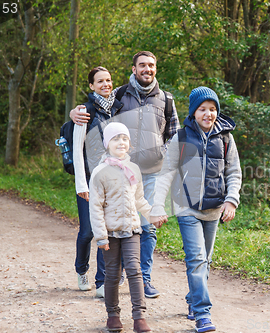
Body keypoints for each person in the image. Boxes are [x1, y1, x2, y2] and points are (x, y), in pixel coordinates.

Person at [71, 51, 180, 298]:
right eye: (142, 65)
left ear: (156, 68)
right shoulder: (119, 95)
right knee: (111, 225)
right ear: (133, 69)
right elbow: (95, 105)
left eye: (151, 65)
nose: (147, 69)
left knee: (147, 227)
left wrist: (161, 153)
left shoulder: (167, 99)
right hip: (118, 173)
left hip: (151, 173)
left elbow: (175, 135)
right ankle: (112, 273)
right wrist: (74, 113)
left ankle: (143, 279)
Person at [150, 87, 242, 333]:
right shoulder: (180, 138)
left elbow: (233, 172)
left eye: (212, 109)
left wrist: (231, 200)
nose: (208, 114)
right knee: (197, 259)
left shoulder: (225, 138)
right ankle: (203, 313)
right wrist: (158, 206)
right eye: (203, 109)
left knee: (206, 259)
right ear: (193, 112)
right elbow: (166, 173)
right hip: (186, 208)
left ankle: (193, 298)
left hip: (213, 210)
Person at [90, 122, 165, 332]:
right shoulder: (100, 172)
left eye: (124, 139)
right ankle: (112, 314)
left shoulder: (134, 169)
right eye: (115, 139)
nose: (121, 143)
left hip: (132, 229)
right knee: (112, 274)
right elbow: (95, 207)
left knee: (134, 269)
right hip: (111, 233)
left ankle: (139, 316)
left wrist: (152, 216)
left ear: (129, 144)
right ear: (107, 144)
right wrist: (101, 236)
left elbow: (139, 199)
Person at [73, 66, 124, 298]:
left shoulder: (118, 108)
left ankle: (103, 281)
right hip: (89, 182)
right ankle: (81, 270)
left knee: (108, 231)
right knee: (87, 232)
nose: (106, 84)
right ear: (91, 86)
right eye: (100, 81)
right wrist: (81, 185)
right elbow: (77, 151)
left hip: (112, 183)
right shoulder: (85, 112)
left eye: (109, 80)